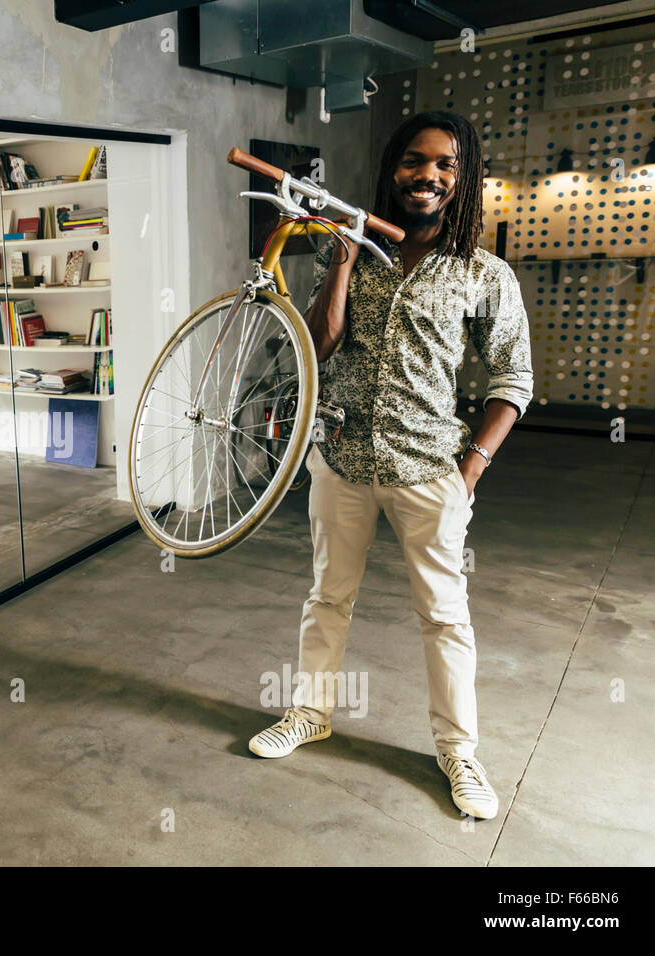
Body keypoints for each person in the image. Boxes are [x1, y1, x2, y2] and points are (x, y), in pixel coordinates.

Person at [247, 110, 534, 821]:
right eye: (415, 161)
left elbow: (513, 380)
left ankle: (458, 752)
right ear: (392, 169)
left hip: (427, 470)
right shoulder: (351, 250)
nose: (428, 176)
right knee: (327, 597)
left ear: (462, 180)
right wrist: (340, 266)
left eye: (446, 166)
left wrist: (471, 469)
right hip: (341, 458)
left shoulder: (482, 273)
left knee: (444, 617)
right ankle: (310, 713)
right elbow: (315, 348)